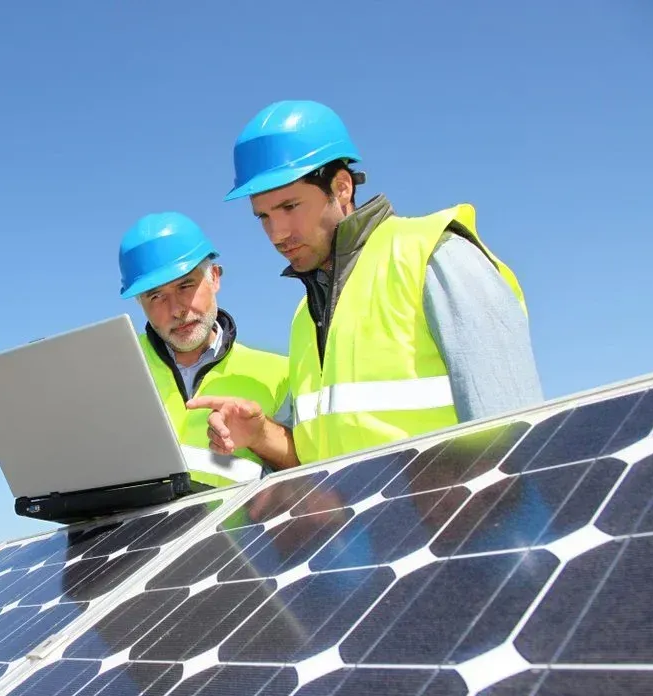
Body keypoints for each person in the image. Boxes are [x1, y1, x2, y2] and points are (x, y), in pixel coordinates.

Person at [190, 99, 543, 467]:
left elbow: (516, 443)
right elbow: (316, 466)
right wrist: (262, 435)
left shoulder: (433, 256)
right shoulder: (304, 317)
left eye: (290, 207)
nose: (277, 234)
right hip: (358, 526)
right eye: (263, 216)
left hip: (460, 521)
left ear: (342, 188)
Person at [118, 211, 294, 487]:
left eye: (185, 286)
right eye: (156, 296)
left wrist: (262, 436)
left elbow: (315, 476)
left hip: (236, 531)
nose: (176, 310)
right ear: (140, 302)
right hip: (125, 531)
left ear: (214, 277)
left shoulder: (281, 374)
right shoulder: (115, 369)